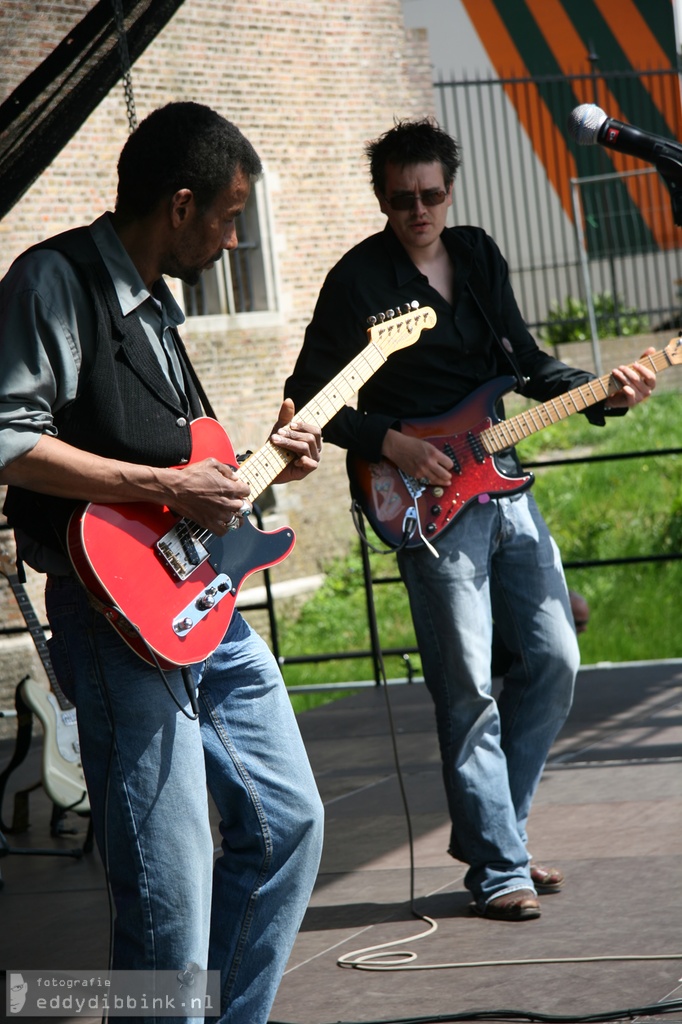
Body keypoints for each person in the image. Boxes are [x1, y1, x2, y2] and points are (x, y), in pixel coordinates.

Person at [284, 117, 655, 921]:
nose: (418, 211)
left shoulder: (479, 254)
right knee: (467, 690)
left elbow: (524, 362)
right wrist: (394, 444)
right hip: (421, 496)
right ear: (381, 198)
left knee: (555, 656)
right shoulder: (357, 281)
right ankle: (496, 868)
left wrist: (601, 390)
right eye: (400, 199)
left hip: (504, 483)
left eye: (431, 195)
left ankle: (503, 838)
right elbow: (309, 400)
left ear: (450, 190)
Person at [0, 102, 324, 1022]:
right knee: (169, 901)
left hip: (201, 604)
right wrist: (164, 484)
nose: (233, 239)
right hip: (111, 626)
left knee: (289, 823)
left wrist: (257, 470)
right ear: (180, 205)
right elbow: (8, 438)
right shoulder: (53, 281)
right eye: (228, 216)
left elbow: (185, 475)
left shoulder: (158, 312)